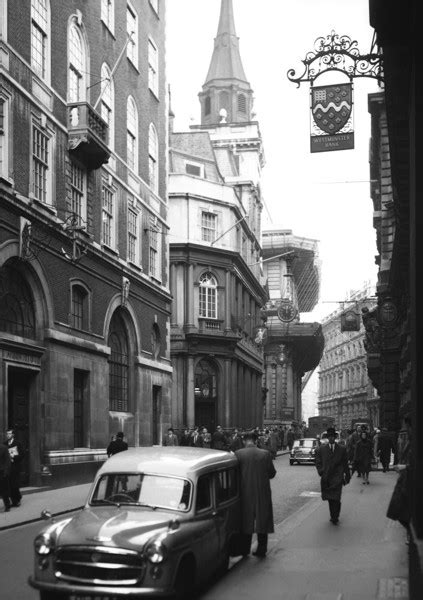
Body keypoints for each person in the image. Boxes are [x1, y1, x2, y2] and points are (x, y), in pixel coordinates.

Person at [235, 431, 276, 558]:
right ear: (256, 441)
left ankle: (245, 549)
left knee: (246, 519)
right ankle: (262, 549)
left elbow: (235, 475)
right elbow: (272, 473)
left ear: (244, 441)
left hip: (245, 491)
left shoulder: (238, 454)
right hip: (262, 491)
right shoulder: (265, 454)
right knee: (262, 519)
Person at [315, 427, 351, 525]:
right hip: (327, 478)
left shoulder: (342, 449)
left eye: (332, 437)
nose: (331, 438)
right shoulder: (321, 449)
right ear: (327, 438)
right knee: (331, 499)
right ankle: (333, 516)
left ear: (335, 437)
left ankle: (335, 516)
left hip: (338, 478)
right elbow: (318, 462)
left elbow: (345, 464)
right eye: (329, 437)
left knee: (337, 498)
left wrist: (347, 476)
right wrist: (321, 471)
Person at [4, 429, 23, 507]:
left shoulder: (18, 443)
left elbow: (22, 455)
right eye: (7, 434)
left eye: (9, 434)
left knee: (15, 484)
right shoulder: (4, 444)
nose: (8, 435)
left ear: (13, 435)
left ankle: (17, 499)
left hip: (15, 466)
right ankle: (13, 501)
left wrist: (14, 456)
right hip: (8, 467)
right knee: (9, 484)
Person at [0, 442, 11, 512]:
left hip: (2, 471)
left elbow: (7, 460)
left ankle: (7, 505)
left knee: (4, 490)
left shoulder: (3, 448)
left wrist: (6, 472)